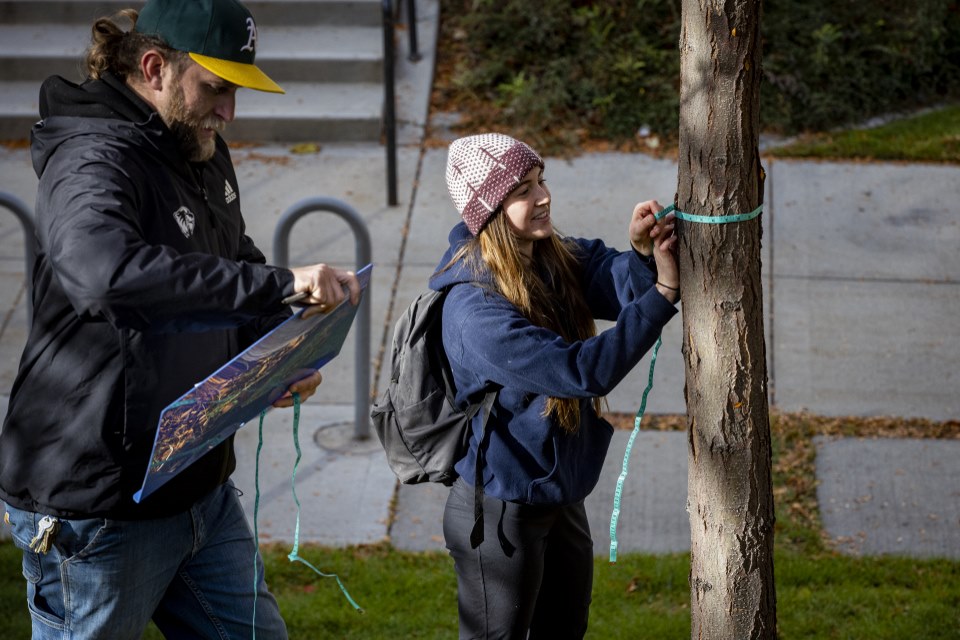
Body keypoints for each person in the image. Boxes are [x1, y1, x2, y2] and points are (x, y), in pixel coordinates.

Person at [0, 1, 359, 638]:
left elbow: (230, 267)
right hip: (101, 506)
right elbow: (104, 274)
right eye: (217, 89)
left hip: (197, 483)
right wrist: (278, 283)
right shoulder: (91, 158)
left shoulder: (200, 145)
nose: (229, 112)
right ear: (153, 67)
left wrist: (277, 351)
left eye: (237, 92)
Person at [432, 133, 680, 639]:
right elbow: (580, 373)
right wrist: (664, 294)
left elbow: (604, 275)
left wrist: (639, 252)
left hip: (557, 492)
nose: (543, 195)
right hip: (501, 510)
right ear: (489, 210)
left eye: (541, 179)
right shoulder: (474, 311)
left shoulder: (543, 254)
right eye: (523, 189)